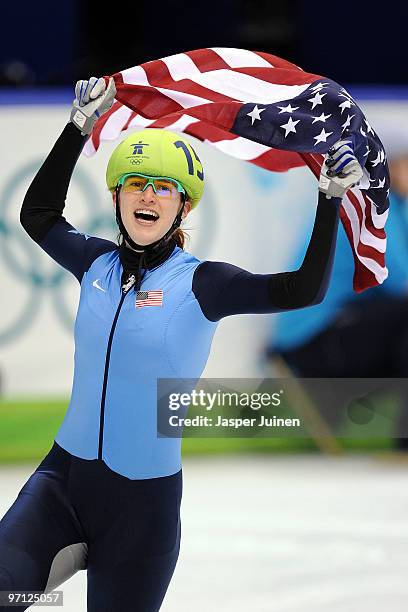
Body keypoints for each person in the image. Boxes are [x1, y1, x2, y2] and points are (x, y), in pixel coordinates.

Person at [0, 76, 362, 612]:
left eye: (163, 188)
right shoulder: (93, 263)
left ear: (183, 208)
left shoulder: (204, 284)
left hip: (140, 514)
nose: (148, 195)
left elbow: (301, 290)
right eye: (136, 183)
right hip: (61, 487)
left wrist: (330, 200)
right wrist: (79, 125)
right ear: (118, 196)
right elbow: (39, 216)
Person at [266, 117, 408, 449]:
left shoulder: (390, 205)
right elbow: (399, 280)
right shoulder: (370, 203)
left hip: (337, 330)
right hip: (311, 340)